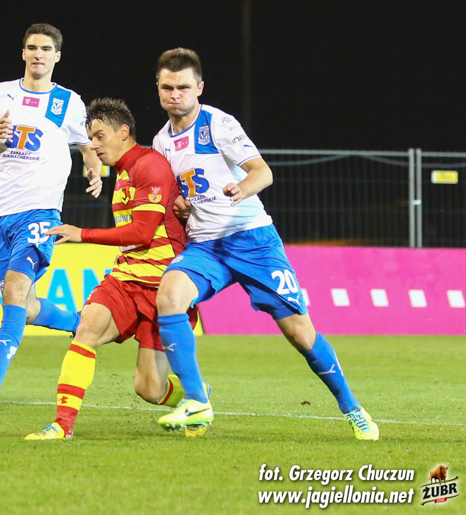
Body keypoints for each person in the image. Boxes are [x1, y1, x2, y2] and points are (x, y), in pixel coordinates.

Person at [151, 48, 379, 441]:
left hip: (252, 241)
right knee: (169, 296)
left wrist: (242, 188)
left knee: (301, 334)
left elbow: (263, 172)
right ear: (157, 87)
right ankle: (196, 401)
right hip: (206, 245)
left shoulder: (219, 124)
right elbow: (180, 194)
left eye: (183, 87)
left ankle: (353, 409)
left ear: (199, 87)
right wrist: (181, 205)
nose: (175, 94)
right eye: (167, 87)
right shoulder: (161, 142)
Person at [25, 98, 207, 440]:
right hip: (125, 279)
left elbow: (142, 232)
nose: (94, 145)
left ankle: (197, 397)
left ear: (124, 132)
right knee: (86, 329)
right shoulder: (123, 173)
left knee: (149, 389)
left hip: (164, 288)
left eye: (99, 136)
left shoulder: (150, 165)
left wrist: (82, 234)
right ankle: (62, 426)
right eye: (90, 138)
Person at [0, 24, 102, 414]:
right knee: (27, 304)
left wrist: (94, 169)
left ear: (57, 56)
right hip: (0, 213)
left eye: (46, 48)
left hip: (41, 212)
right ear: (23, 53)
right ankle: (81, 324)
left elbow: (86, 146)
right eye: (32, 47)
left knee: (13, 292)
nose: (38, 54)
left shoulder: (69, 102)